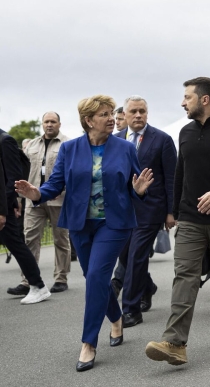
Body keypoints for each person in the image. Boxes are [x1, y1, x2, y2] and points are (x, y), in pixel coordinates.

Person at [15, 95, 154, 372]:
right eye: (104, 114)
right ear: (89, 120)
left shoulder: (125, 148)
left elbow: (136, 183)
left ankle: (88, 342)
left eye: (111, 113)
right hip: (79, 223)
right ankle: (115, 319)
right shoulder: (69, 149)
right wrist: (37, 193)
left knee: (97, 276)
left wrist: (138, 192)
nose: (111, 118)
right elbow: (56, 183)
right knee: (95, 278)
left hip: (113, 224)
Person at [145, 77, 210, 365]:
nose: (183, 102)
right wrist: (174, 211)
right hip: (190, 218)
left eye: (187, 97)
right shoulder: (186, 133)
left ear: (204, 99)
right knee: (185, 277)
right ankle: (175, 342)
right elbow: (181, 172)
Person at [113, 96, 176, 328]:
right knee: (125, 255)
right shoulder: (115, 140)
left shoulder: (162, 140)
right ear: (125, 115)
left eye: (142, 111)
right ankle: (147, 287)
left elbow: (171, 178)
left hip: (150, 210)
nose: (138, 115)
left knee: (137, 255)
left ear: (147, 113)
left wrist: (171, 212)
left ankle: (130, 309)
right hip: (122, 211)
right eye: (134, 112)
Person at [13, 112, 71, 295]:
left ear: (59, 124)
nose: (49, 125)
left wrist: (62, 191)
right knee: (30, 238)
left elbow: (71, 173)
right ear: (42, 124)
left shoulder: (68, 145)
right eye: (46, 121)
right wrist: (19, 200)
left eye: (53, 121)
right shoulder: (32, 145)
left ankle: (61, 278)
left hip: (58, 200)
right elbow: (22, 172)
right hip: (33, 200)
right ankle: (27, 280)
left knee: (60, 239)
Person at [1, 128, 50, 305]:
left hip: (3, 207)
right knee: (17, 244)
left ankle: (38, 286)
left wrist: (5, 208)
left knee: (17, 245)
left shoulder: (5, 141)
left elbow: (12, 178)